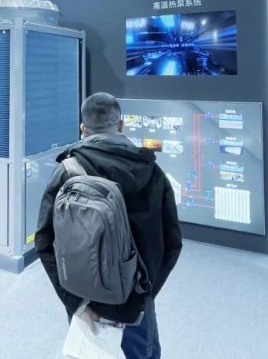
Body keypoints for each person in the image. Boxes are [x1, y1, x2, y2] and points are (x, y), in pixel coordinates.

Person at [35, 93, 182, 359]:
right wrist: (143, 298)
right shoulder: (152, 173)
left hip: (83, 298)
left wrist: (76, 304)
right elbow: (172, 244)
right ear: (121, 125)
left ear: (83, 129)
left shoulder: (67, 171)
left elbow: (44, 241)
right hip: (136, 302)